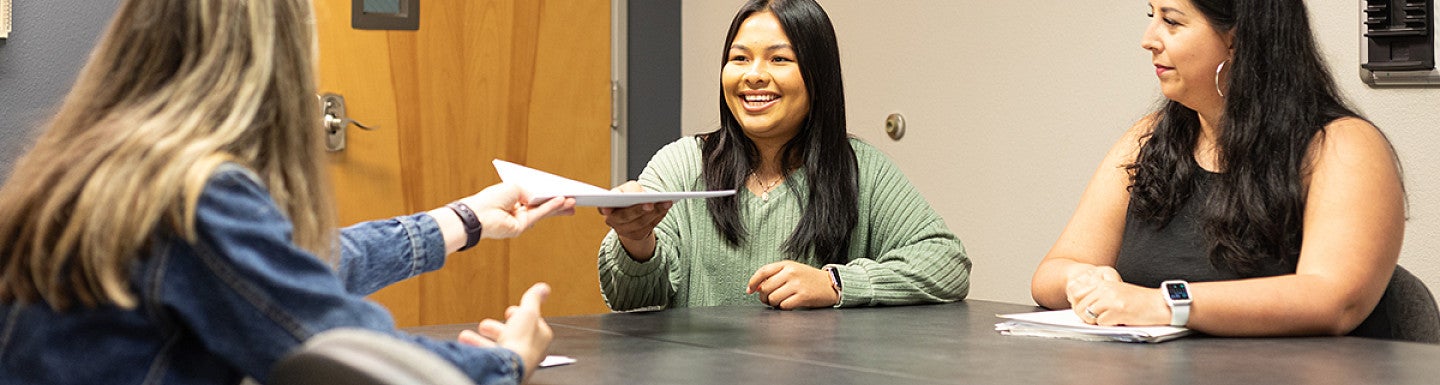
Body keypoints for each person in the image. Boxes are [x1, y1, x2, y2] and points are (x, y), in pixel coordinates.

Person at [0, 0, 576, 384]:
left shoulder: (88, 170)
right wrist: (508, 360)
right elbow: (351, 355)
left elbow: (284, 270)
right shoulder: (192, 194)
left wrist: (465, 218)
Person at [1030, 0, 1407, 338]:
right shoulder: (1147, 138)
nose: (1149, 39)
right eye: (1152, 17)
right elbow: (1052, 273)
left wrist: (1163, 304)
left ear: (1236, 39)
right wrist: (1082, 281)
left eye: (1172, 22)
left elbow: (1332, 301)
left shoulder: (1343, 146)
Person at [597, 0, 970, 311]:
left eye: (779, 60)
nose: (754, 75)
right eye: (740, 58)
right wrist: (637, 240)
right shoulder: (682, 163)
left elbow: (947, 263)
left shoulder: (858, 167)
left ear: (816, 76)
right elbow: (630, 300)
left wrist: (836, 283)